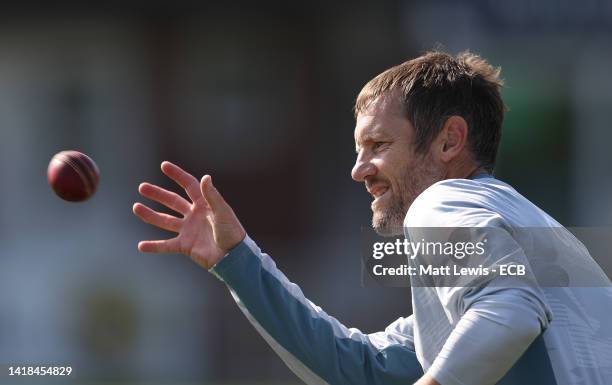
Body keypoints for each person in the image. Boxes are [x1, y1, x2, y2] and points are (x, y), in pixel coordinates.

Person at [132, 51, 612, 385]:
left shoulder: (441, 202)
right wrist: (236, 260)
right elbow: (362, 367)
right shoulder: (533, 233)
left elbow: (510, 312)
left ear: (449, 142)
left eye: (378, 146)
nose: (358, 170)